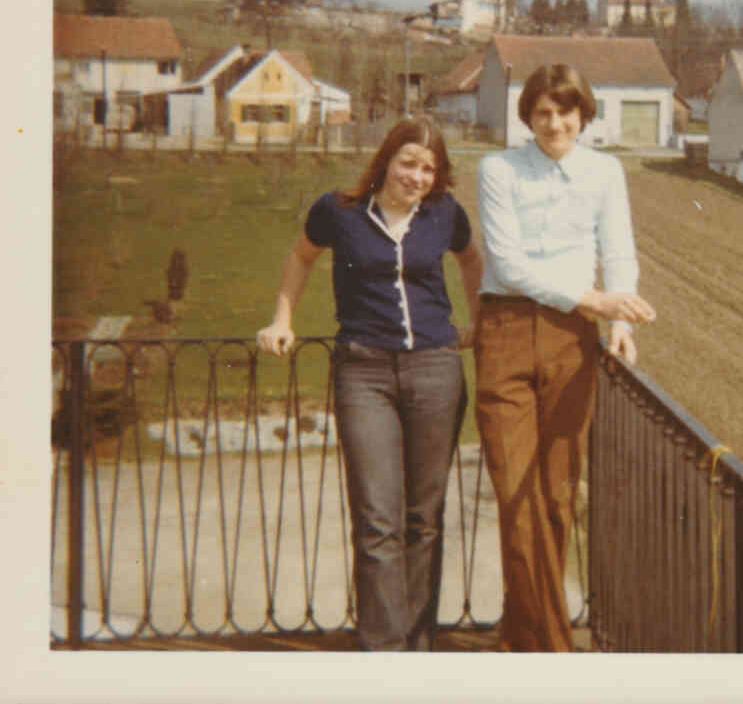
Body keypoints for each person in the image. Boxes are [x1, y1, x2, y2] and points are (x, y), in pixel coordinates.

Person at [256, 117, 482, 651]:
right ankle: (384, 653)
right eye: (409, 163)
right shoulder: (340, 211)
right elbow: (300, 256)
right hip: (365, 372)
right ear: (385, 161)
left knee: (424, 518)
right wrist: (282, 319)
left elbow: (472, 261)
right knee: (377, 517)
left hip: (435, 368)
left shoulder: (444, 214)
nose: (418, 176)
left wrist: (480, 321)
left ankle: (418, 640)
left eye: (429, 168)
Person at [474, 64, 657, 652]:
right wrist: (595, 299)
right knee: (514, 490)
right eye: (543, 112)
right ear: (528, 116)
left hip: (571, 341)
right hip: (505, 330)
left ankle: (521, 636)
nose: (554, 123)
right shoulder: (497, 169)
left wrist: (621, 321)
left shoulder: (605, 173)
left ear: (583, 115)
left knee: (554, 496)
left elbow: (619, 250)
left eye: (565, 112)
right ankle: (555, 653)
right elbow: (508, 263)